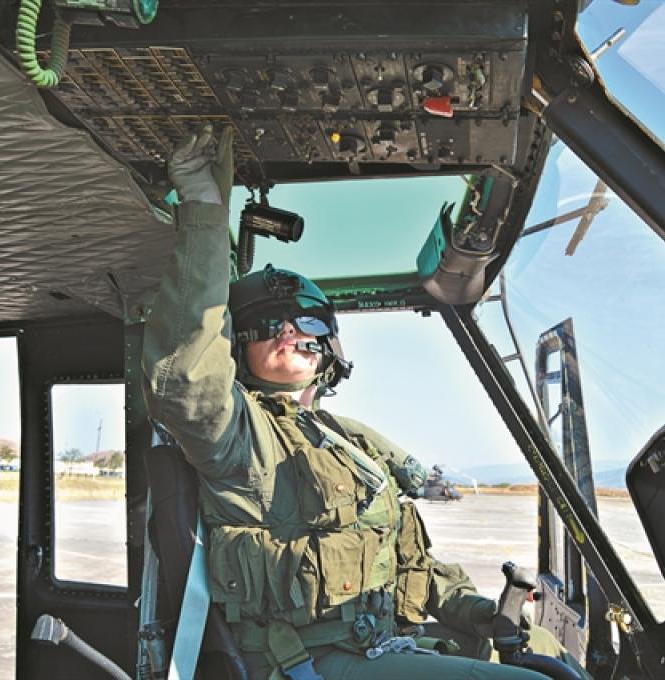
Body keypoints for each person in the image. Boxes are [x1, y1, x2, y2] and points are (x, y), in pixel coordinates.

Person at [142, 125, 589, 680]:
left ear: (328, 347)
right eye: (268, 325)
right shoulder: (242, 437)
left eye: (306, 323)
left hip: (374, 641)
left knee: (548, 648)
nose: (289, 332)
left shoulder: (347, 443)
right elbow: (187, 378)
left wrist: (478, 613)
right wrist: (205, 210)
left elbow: (405, 564)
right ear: (238, 347)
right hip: (305, 660)